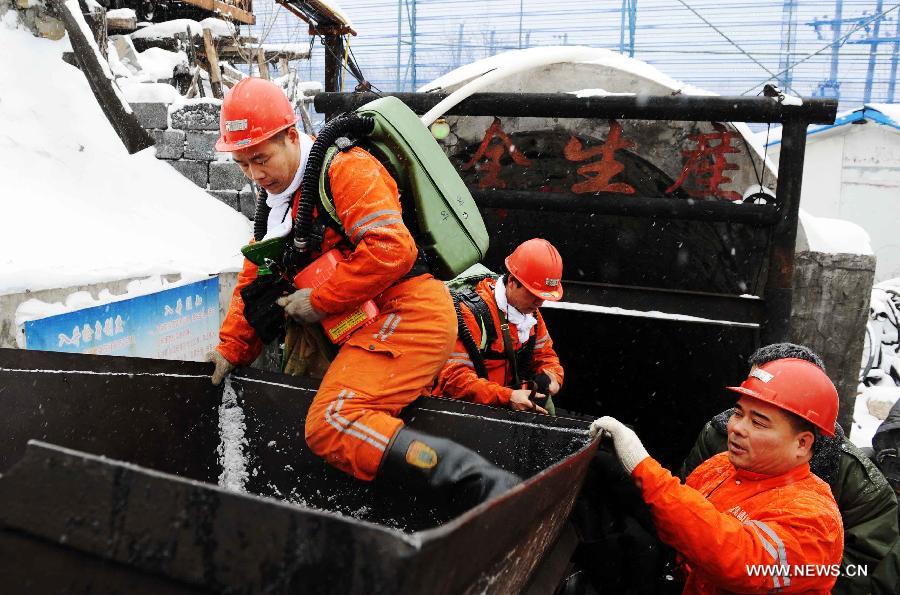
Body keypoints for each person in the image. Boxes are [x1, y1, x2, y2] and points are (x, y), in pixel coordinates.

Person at [204, 78, 518, 511]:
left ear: (292, 135)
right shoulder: (283, 206)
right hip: (366, 326)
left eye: (260, 158)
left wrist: (319, 300)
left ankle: (481, 484)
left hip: (410, 314)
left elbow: (392, 249)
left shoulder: (345, 169)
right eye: (242, 165)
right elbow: (255, 280)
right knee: (319, 421)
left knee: (331, 423)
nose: (255, 174)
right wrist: (229, 350)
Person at [592, 357, 844, 593]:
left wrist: (644, 468)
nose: (736, 428)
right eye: (738, 413)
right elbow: (681, 522)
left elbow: (744, 563)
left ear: (802, 444)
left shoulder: (815, 518)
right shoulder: (721, 465)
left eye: (758, 422)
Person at [680, 343, 898, 595]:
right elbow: (685, 504)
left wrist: (788, 572)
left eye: (770, 400)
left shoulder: (858, 479)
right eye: (749, 393)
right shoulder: (719, 435)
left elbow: (869, 569)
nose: (740, 426)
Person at [433, 238, 565, 415]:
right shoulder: (470, 314)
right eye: (533, 294)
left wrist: (553, 377)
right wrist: (507, 396)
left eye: (544, 296)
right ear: (511, 281)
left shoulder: (530, 314)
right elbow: (454, 380)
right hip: (462, 414)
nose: (540, 303)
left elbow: (546, 355)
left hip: (506, 413)